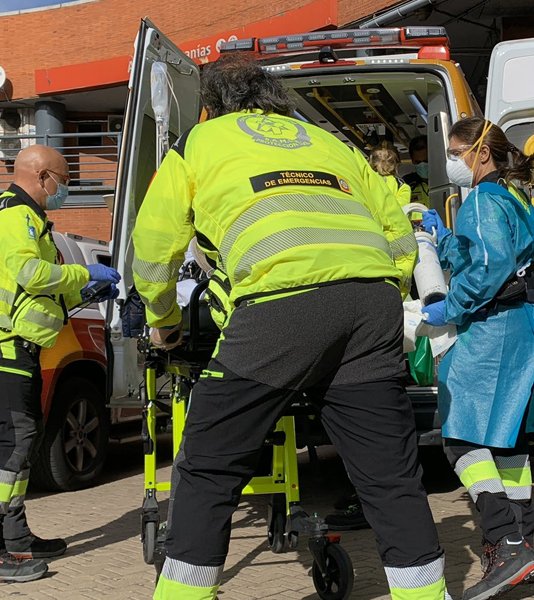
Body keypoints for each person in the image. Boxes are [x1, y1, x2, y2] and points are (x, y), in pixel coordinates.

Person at [132, 55, 447, 600]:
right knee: (389, 476)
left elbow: (154, 249)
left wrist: (164, 323)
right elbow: (398, 231)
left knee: (208, 465)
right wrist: (380, 294)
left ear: (212, 106)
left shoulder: (200, 143)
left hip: (282, 304)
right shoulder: (329, 143)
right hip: (370, 304)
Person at [418, 117, 534, 600]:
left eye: (457, 150)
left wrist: (450, 306)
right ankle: (522, 539)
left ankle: (506, 544)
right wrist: (442, 236)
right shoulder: (512, 196)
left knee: (460, 438)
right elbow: (487, 252)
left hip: (492, 329)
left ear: (481, 153)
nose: (453, 160)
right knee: (505, 439)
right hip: (525, 324)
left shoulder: (483, 200)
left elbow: (486, 266)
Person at [0, 144, 121, 584]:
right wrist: (86, 274)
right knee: (11, 442)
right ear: (43, 175)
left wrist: (83, 293)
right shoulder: (15, 213)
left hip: (12, 342)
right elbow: (29, 273)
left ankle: (15, 539)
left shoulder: (28, 219)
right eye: (63, 180)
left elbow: (39, 288)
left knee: (21, 441)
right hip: (2, 342)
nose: (64, 189)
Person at [370, 140, 412, 207]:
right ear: (397, 164)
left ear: (371, 162)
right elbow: (402, 211)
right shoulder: (402, 187)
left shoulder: (365, 180)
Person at [403, 135, 431, 204]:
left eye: (426, 161)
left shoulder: (445, 180)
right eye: (418, 162)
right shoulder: (406, 184)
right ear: (412, 160)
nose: (422, 165)